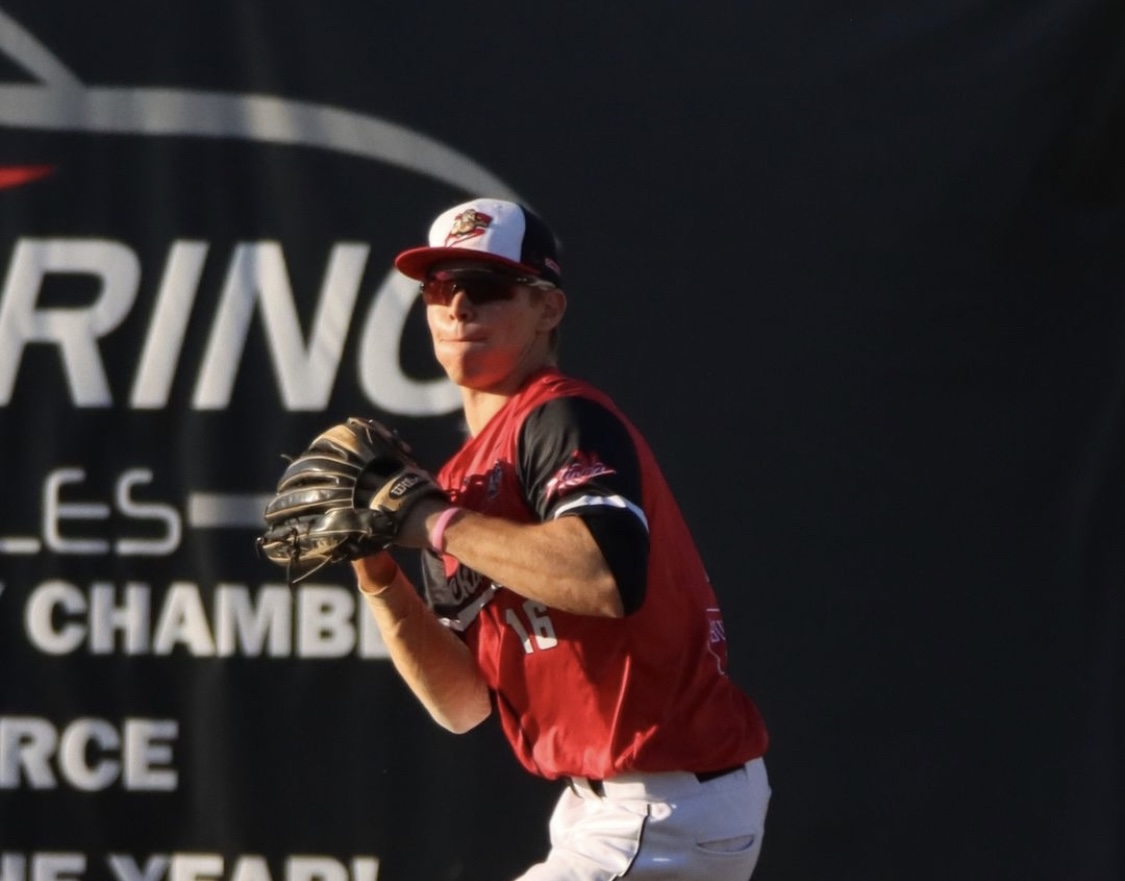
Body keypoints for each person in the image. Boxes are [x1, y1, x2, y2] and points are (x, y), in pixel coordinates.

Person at [351, 197, 771, 880]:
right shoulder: (454, 483)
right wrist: (374, 567)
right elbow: (461, 705)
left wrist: (430, 523)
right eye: (437, 289)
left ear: (548, 308)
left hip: (666, 805)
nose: (457, 308)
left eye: (484, 288)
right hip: (597, 807)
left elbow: (602, 576)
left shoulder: (559, 416)